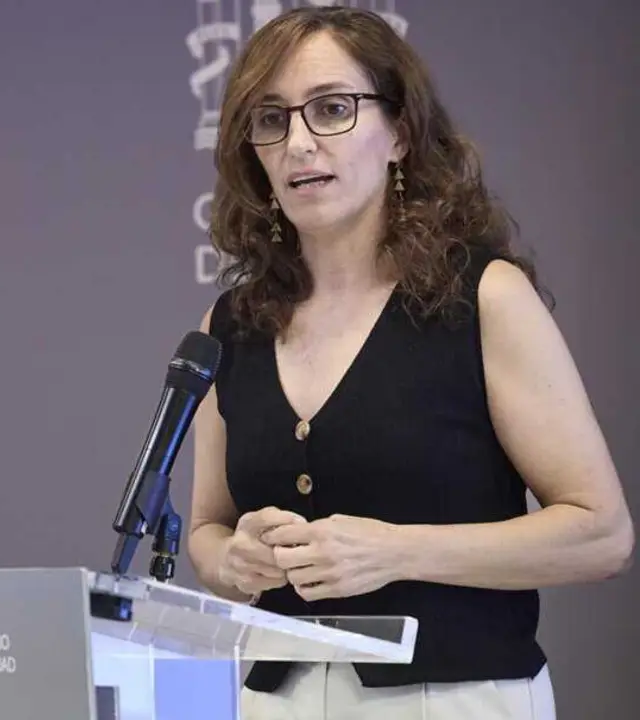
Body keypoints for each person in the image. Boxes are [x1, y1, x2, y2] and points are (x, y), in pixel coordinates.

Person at [186, 7, 634, 719]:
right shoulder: (229, 327)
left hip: (455, 699)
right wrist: (233, 560)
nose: (298, 142)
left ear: (399, 133)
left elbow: (601, 535)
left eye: (331, 109)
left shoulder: (482, 299)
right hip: (273, 701)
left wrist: (396, 551)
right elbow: (207, 531)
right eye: (271, 120)